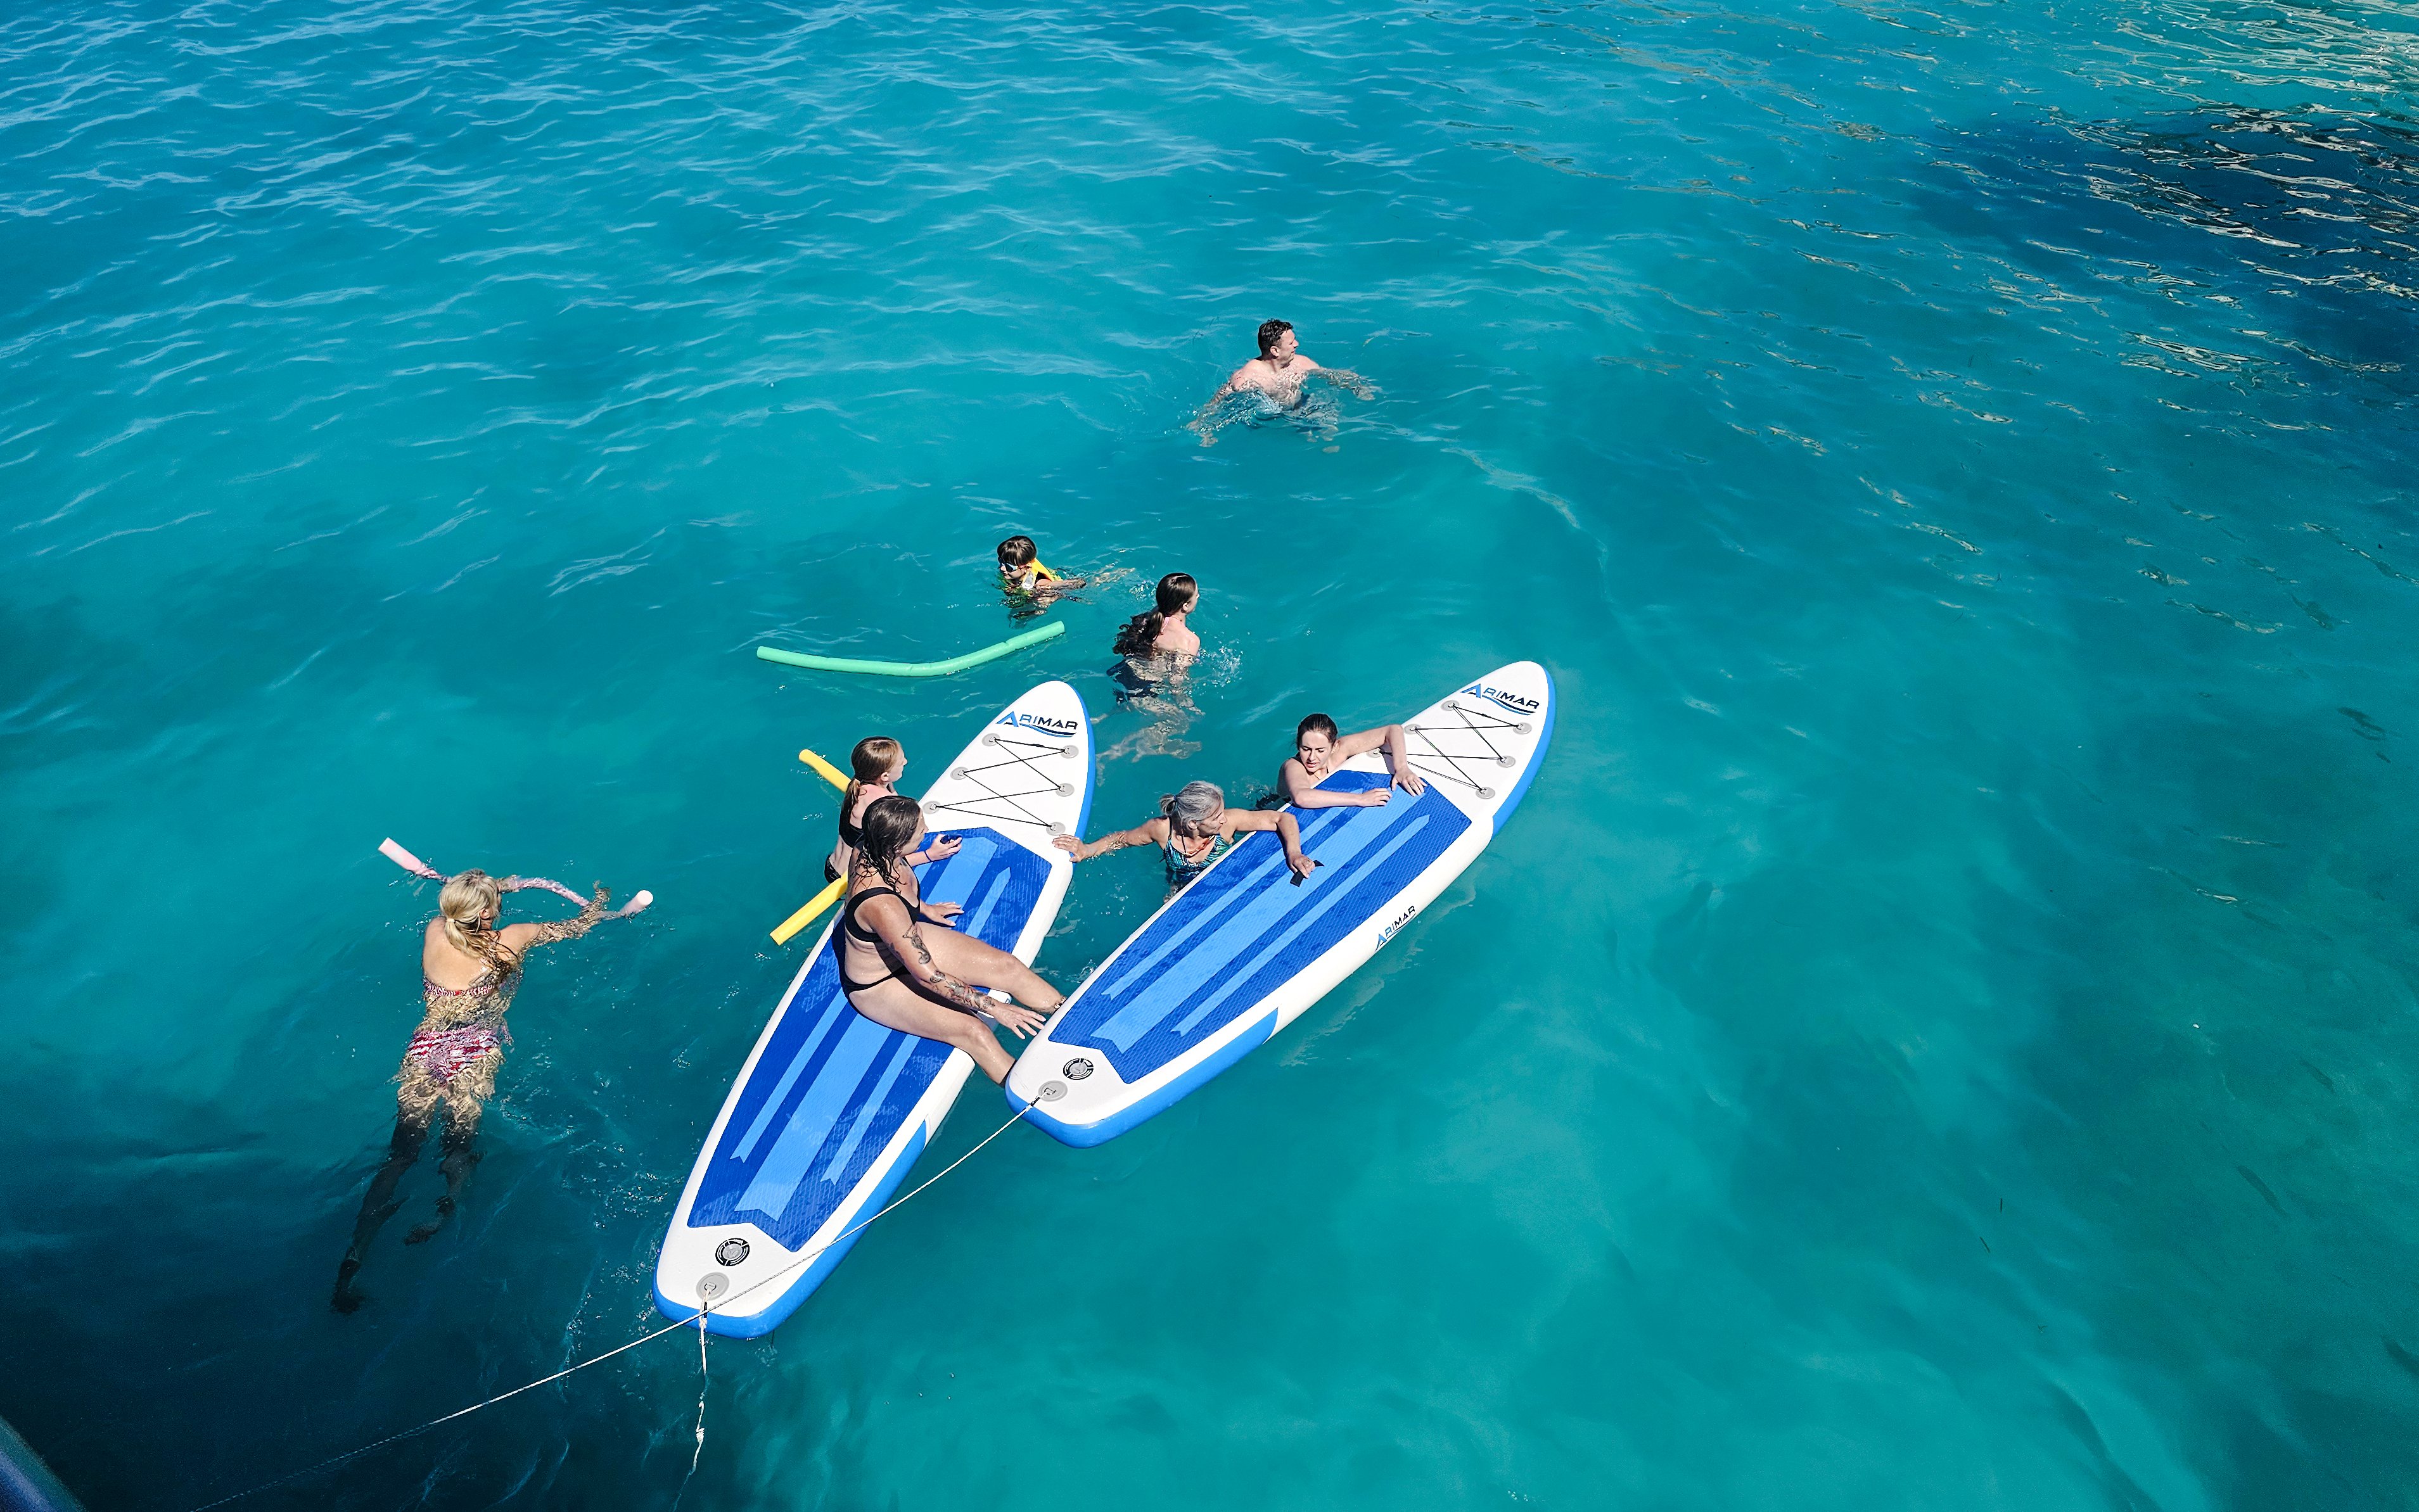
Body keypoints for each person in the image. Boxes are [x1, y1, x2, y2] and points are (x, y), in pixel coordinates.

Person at [333, 869, 644, 1313]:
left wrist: (492, 888)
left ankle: (357, 1251)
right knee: (458, 1147)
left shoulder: (436, 931)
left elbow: (458, 907)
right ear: (487, 911)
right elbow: (578, 926)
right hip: (474, 1050)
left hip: (426, 1048)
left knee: (401, 1154)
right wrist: (602, 900)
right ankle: (442, 1212)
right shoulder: (511, 939)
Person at [838, 796, 1065, 1083]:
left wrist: (927, 903)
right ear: (896, 845)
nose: (926, 830)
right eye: (920, 829)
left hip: (908, 939)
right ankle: (1039, 1093)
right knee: (975, 1031)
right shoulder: (882, 906)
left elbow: (900, 886)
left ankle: (1069, 1021)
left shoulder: (873, 844)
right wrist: (996, 1009)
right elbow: (928, 977)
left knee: (1008, 967)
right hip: (880, 982)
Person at [1056, 780, 1318, 891]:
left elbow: (1282, 818)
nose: (1224, 819)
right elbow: (1122, 839)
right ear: (1193, 824)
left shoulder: (1229, 825)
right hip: (1181, 884)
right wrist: (1087, 850)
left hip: (1227, 877)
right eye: (1216, 817)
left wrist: (1294, 852)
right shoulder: (1161, 830)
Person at [825, 737, 962, 884]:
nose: (906, 762)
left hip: (832, 865)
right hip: (852, 879)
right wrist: (930, 855)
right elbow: (886, 862)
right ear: (884, 776)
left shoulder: (859, 786)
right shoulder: (882, 806)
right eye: (901, 761)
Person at [1277, 713, 1427, 809]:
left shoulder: (1341, 750)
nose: (1312, 757)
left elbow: (1393, 730)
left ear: (1334, 746)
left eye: (1320, 751)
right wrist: (1361, 799)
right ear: (1298, 745)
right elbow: (1301, 797)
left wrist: (1401, 768)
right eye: (1306, 749)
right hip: (1280, 804)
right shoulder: (1294, 766)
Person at [1113, 572, 1200, 663]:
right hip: (1149, 676)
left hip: (1129, 664)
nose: (1198, 597)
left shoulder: (1153, 615)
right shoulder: (1191, 641)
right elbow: (1178, 675)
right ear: (1185, 606)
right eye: (1197, 595)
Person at [996, 535, 1084, 604]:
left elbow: (1069, 586)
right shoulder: (1011, 573)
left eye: (1009, 567)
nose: (1002, 568)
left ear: (1026, 567)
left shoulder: (1040, 583)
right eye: (1001, 561)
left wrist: (1053, 598)